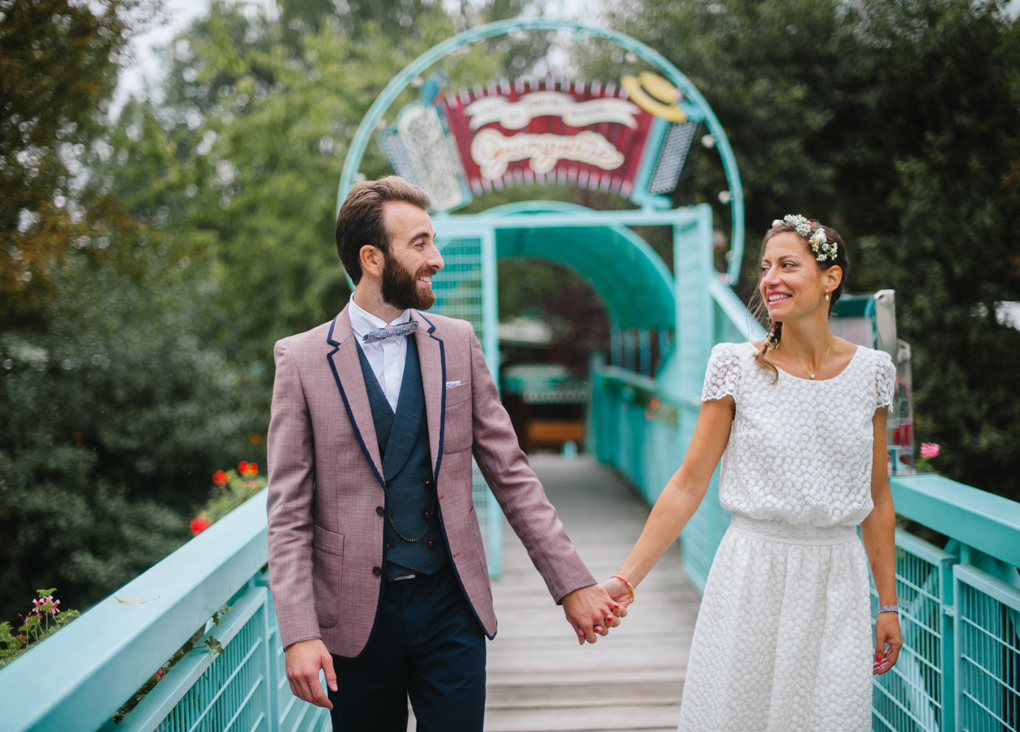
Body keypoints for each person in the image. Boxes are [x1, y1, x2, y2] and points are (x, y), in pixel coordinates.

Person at [265, 175, 622, 732]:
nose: (436, 258)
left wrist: (571, 583)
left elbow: (511, 474)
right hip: (352, 617)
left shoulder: (457, 342)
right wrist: (298, 633)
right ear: (372, 258)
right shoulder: (302, 359)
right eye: (420, 244)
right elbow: (288, 514)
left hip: (452, 605)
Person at [602, 216, 902, 731]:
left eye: (788, 265)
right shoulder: (734, 365)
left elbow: (876, 495)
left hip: (838, 581)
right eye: (765, 268)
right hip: (752, 574)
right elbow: (689, 483)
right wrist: (627, 578)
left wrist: (889, 605)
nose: (770, 280)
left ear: (830, 279)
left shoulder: (873, 372)